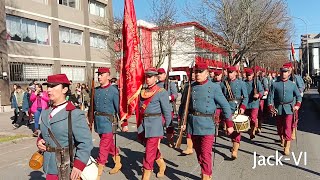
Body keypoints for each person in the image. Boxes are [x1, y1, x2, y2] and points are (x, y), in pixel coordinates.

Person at [179, 63, 233, 180]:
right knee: (199, 152)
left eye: (200, 72)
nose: (197, 74)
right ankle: (206, 171)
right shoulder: (189, 87)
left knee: (205, 152)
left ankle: (206, 175)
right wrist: (181, 122)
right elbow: (183, 106)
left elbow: (225, 105)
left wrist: (229, 123)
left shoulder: (214, 87)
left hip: (208, 124)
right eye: (196, 72)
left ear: (207, 73)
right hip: (193, 124)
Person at [36, 74, 93, 180]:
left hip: (66, 168)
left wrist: (79, 165)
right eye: (48, 86)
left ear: (65, 89)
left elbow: (85, 143)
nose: (49, 90)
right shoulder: (45, 112)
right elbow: (44, 133)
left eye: (53, 86)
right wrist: (40, 140)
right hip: (49, 167)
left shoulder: (74, 114)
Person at [137, 68, 172, 180]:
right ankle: (162, 164)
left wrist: (169, 129)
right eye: (146, 76)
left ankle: (145, 177)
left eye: (150, 76)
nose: (147, 79)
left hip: (155, 126)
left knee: (148, 153)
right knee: (151, 149)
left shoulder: (162, 92)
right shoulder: (142, 92)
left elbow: (167, 112)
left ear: (156, 78)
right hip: (144, 126)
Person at [93, 68, 122, 179]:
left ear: (108, 76)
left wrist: (123, 123)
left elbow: (118, 107)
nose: (99, 77)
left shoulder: (113, 90)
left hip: (108, 122)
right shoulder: (95, 90)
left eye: (101, 74)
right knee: (109, 145)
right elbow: (93, 108)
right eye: (98, 75)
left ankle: (98, 172)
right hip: (98, 122)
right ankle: (118, 162)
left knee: (103, 147)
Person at [267, 66, 302, 155]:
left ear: (288, 73)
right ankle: (282, 137)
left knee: (287, 126)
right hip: (278, 108)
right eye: (282, 72)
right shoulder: (275, 84)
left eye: (286, 72)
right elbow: (270, 97)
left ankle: (287, 146)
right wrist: (270, 107)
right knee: (280, 127)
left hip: (289, 108)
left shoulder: (292, 84)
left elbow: (298, 96)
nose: (284, 74)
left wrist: (297, 105)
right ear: (280, 72)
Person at [220, 66, 248, 159]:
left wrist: (243, 107)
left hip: (237, 107)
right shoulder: (224, 84)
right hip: (227, 108)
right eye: (229, 72)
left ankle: (235, 150)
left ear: (236, 73)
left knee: (236, 129)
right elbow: (221, 96)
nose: (230, 74)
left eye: (232, 72)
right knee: (229, 130)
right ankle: (234, 144)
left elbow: (246, 97)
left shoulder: (241, 83)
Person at [156, 68, 178, 148]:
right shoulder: (156, 85)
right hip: (159, 109)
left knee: (169, 125)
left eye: (161, 74)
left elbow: (175, 94)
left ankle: (171, 140)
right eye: (158, 74)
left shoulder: (170, 84)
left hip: (168, 108)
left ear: (165, 75)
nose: (159, 75)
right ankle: (157, 143)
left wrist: (169, 97)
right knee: (158, 126)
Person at [244, 68, 263, 139]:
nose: (248, 77)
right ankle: (250, 128)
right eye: (247, 75)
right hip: (246, 103)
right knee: (247, 118)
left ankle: (252, 131)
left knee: (253, 117)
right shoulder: (243, 83)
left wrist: (258, 95)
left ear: (252, 75)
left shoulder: (256, 82)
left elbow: (261, 91)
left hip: (254, 103)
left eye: (250, 75)